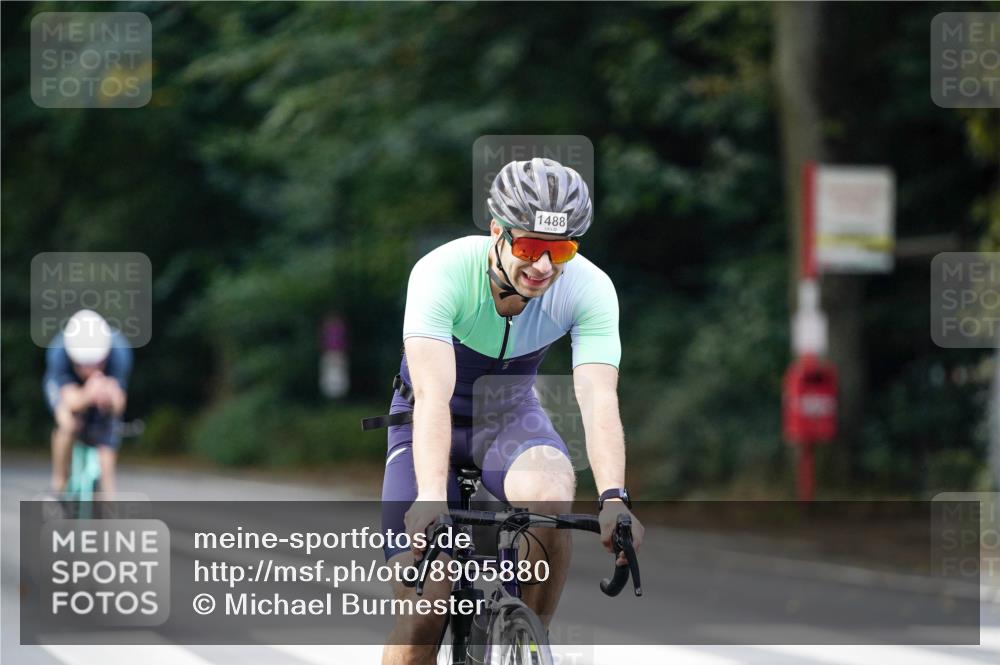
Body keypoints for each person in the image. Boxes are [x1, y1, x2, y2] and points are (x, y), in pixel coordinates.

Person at [374, 157, 644, 664]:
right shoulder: (441, 272)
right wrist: (430, 497)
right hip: (426, 423)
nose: (543, 266)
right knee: (424, 616)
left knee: (551, 494)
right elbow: (432, 396)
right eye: (528, 247)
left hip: (509, 418)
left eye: (560, 250)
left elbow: (598, 396)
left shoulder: (588, 287)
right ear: (497, 232)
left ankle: (527, 641)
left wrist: (614, 498)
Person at [43, 309, 133, 497]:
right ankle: (59, 481)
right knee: (67, 424)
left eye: (97, 364)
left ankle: (107, 500)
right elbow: (68, 400)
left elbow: (119, 404)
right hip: (69, 391)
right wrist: (88, 394)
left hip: (100, 392)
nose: (90, 370)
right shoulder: (58, 351)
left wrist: (109, 398)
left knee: (107, 442)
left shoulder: (119, 350)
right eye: (84, 365)